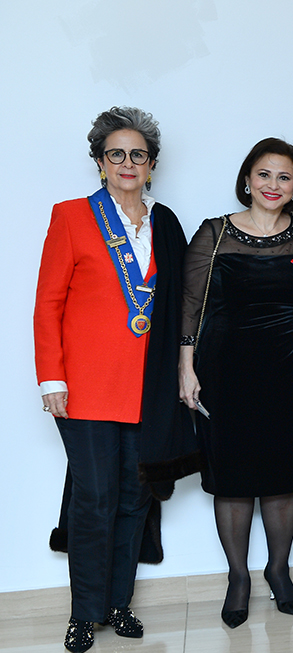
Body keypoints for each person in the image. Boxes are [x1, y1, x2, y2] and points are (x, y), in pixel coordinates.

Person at [34, 106, 197, 652]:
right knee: (95, 500)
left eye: (138, 155)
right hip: (84, 389)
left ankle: (116, 603)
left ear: (151, 165)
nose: (128, 163)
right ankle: (83, 613)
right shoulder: (71, 217)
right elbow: (48, 305)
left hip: (148, 390)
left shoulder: (165, 224)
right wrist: (50, 380)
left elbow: (180, 305)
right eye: (116, 154)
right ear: (100, 162)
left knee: (134, 499)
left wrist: (183, 372)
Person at [178, 138, 293, 628]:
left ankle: (278, 571)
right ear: (246, 180)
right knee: (232, 480)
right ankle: (238, 578)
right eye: (264, 174)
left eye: (284, 177)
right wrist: (186, 367)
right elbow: (190, 304)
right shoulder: (215, 232)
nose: (273, 185)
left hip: (291, 373)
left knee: (283, 476)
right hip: (225, 373)